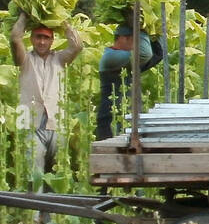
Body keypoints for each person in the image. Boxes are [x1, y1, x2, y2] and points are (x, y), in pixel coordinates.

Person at [10, 12, 83, 189]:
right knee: (34, 173)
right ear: (31, 39)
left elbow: (77, 46)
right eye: (38, 37)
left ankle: (54, 207)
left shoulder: (60, 59)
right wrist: (24, 15)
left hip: (56, 121)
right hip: (29, 122)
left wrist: (62, 20)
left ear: (52, 40)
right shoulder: (24, 59)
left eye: (46, 38)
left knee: (58, 172)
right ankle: (34, 207)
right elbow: (15, 39)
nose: (42, 42)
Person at [96, 25, 166, 140]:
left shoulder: (127, 60)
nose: (137, 45)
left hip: (126, 117)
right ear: (123, 38)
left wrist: (155, 32)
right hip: (112, 119)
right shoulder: (111, 56)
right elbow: (145, 54)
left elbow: (156, 56)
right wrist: (141, 28)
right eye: (136, 40)